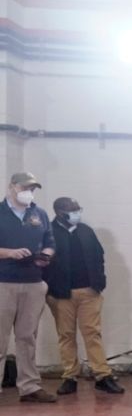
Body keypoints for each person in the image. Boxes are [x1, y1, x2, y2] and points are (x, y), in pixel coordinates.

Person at [43, 196, 124, 395]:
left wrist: (99, 283)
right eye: (73, 210)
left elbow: (99, 257)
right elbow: (43, 262)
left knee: (92, 334)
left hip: (89, 292)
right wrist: (50, 287)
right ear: (60, 213)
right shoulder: (48, 233)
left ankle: (102, 375)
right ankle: (70, 377)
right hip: (61, 294)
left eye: (78, 209)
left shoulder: (86, 231)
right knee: (66, 335)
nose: (77, 213)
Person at [0, 172, 57, 403]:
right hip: (4, 282)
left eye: (33, 189)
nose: (29, 193)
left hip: (34, 283)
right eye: (26, 188)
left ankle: (29, 386)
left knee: (27, 337)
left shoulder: (39, 214)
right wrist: (8, 253)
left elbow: (50, 242)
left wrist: (46, 255)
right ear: (12, 187)